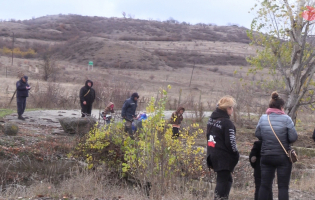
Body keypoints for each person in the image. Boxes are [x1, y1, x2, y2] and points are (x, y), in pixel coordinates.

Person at [255, 91, 298, 200]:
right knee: (283, 187)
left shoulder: (263, 118)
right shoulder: (287, 119)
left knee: (264, 185)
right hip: (283, 156)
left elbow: (258, 134)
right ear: (281, 107)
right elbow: (293, 138)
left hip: (266, 155)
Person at [206, 96, 239, 200]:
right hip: (223, 157)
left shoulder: (211, 120)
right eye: (232, 108)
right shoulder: (227, 123)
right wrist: (236, 154)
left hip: (212, 154)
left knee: (227, 180)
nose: (232, 110)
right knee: (223, 182)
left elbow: (208, 136)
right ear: (228, 108)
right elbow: (231, 143)